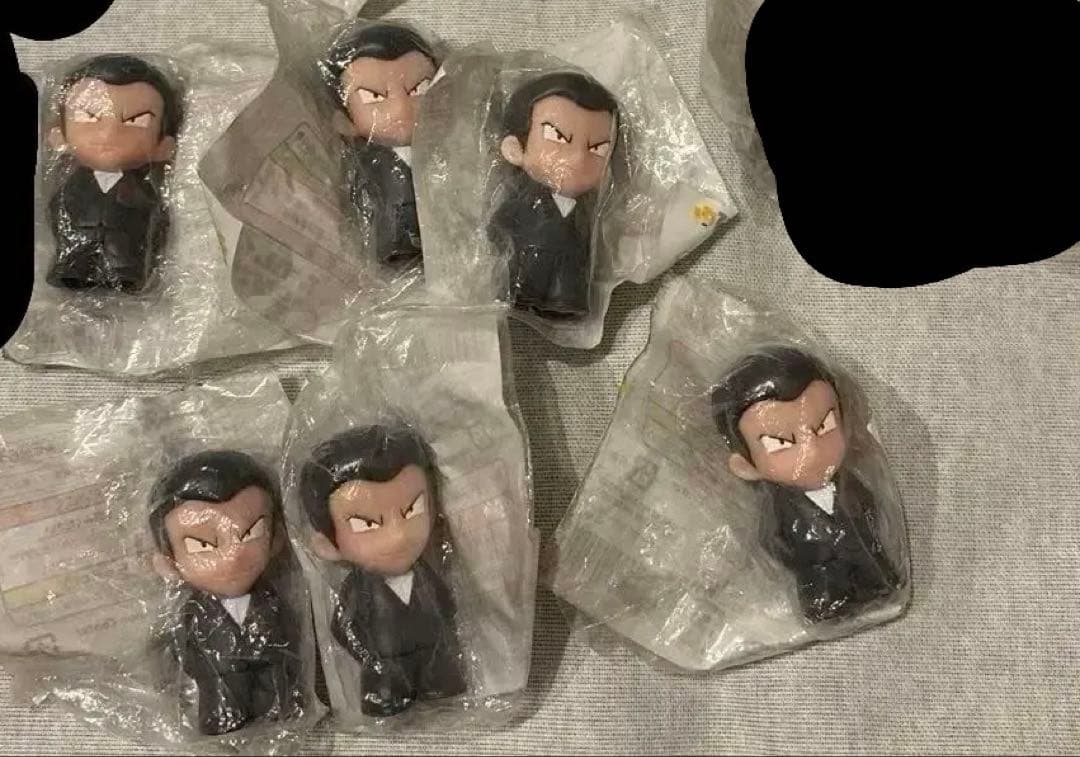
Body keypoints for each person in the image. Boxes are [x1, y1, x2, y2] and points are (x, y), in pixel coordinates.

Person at [711, 345, 904, 622]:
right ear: (745, 466)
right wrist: (810, 556)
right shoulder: (780, 510)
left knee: (880, 581)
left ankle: (878, 588)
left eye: (824, 426)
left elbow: (867, 507)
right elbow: (773, 540)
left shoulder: (850, 485)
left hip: (868, 564)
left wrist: (867, 532)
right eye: (781, 443)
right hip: (823, 580)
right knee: (828, 602)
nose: (811, 452)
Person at [300, 425, 466, 717]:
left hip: (434, 656)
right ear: (327, 544)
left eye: (412, 510)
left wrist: (442, 630)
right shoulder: (359, 588)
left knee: (443, 685)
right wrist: (371, 656)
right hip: (385, 669)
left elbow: (445, 604)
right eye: (368, 524)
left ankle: (438, 685)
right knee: (386, 697)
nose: (398, 536)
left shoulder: (424, 574)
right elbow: (343, 626)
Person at [149, 450, 302, 735]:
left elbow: (290, 634)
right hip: (220, 691)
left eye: (250, 534)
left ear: (277, 539)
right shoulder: (194, 611)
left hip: (274, 689)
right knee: (225, 721)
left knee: (279, 713)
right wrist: (208, 670)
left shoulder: (271, 601)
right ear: (169, 563)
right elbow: (180, 647)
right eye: (203, 545)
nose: (233, 556)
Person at [487, 70, 618, 319]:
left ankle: (565, 304)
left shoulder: (588, 213)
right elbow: (503, 221)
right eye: (558, 137)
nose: (578, 158)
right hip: (527, 277)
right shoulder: (525, 199)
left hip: (569, 283)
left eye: (597, 149)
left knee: (567, 300)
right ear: (515, 147)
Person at [47, 54, 181, 292]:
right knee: (74, 267)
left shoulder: (142, 190)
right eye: (88, 116)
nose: (109, 133)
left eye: (135, 121)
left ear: (164, 146)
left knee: (126, 268)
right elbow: (58, 207)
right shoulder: (73, 185)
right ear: (59, 137)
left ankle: (126, 276)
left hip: (125, 256)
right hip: (77, 251)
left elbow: (156, 218)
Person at [321, 22, 438, 266]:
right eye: (375, 96)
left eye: (417, 90)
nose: (401, 108)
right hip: (389, 251)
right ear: (344, 119)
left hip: (441, 250)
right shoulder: (363, 163)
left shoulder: (442, 154)